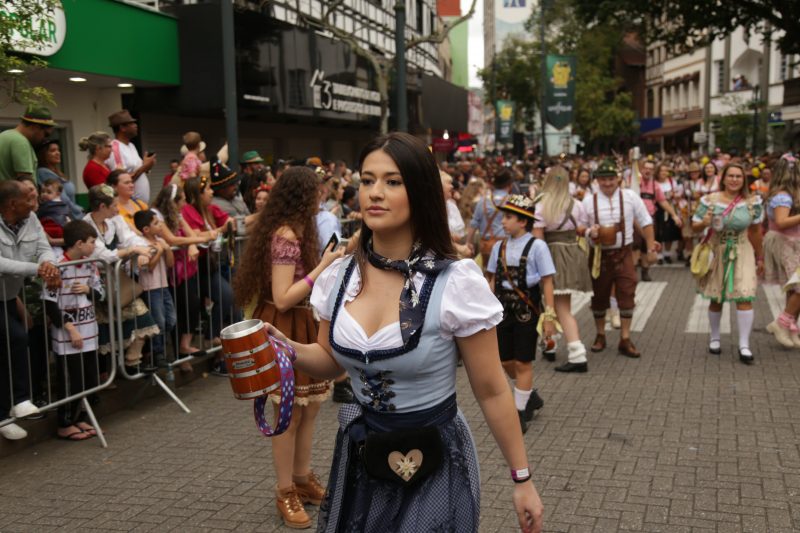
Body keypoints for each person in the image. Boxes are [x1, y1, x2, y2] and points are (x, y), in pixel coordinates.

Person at [264, 133, 543, 532]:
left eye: (393, 182)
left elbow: (492, 389)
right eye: (367, 180)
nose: (375, 193)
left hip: (434, 462)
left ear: (420, 191)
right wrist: (283, 346)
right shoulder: (339, 277)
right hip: (361, 458)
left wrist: (522, 479)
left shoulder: (455, 282)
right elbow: (328, 360)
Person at [233, 166, 340, 529]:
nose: (321, 197)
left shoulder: (296, 230)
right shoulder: (285, 234)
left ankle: (301, 478)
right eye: (317, 192)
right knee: (288, 414)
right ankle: (285, 491)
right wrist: (323, 266)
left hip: (302, 321)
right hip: (283, 324)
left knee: (307, 411)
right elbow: (281, 298)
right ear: (303, 196)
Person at [486, 194, 554, 433]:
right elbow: (493, 279)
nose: (503, 222)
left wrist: (550, 316)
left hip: (528, 309)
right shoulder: (498, 246)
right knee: (505, 361)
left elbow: (547, 281)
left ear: (523, 221)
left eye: (508, 217)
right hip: (503, 309)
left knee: (524, 361)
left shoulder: (538, 246)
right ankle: (530, 395)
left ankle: (518, 413)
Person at [0, 179, 61, 440]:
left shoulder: (31, 219)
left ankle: (8, 411)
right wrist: (36, 269)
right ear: (13, 203)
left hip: (8, 296)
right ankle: (17, 402)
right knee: (16, 338)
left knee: (10, 347)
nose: (34, 204)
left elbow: (43, 248)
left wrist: (48, 264)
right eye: (29, 199)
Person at [584, 158, 659, 358]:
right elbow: (580, 227)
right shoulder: (588, 200)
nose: (607, 183)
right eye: (603, 179)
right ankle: (600, 335)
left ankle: (625, 338)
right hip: (599, 254)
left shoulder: (630, 197)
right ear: (597, 181)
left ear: (617, 179)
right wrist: (590, 232)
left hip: (624, 252)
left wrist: (651, 246)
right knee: (599, 296)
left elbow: (645, 221)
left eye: (610, 179)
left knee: (627, 291)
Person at [691, 163, 764, 364]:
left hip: (742, 249)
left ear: (744, 179)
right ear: (723, 178)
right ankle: (715, 338)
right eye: (730, 176)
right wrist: (704, 223)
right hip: (717, 250)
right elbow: (694, 226)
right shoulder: (710, 201)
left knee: (744, 296)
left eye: (738, 176)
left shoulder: (752, 202)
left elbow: (756, 232)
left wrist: (760, 257)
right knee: (716, 298)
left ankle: (744, 345)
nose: (734, 180)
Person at [82, 185, 159, 368]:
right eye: (114, 205)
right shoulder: (85, 225)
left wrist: (142, 250)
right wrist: (132, 251)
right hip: (97, 285)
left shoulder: (115, 220)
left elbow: (131, 237)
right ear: (102, 207)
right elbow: (103, 256)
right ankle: (108, 374)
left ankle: (132, 361)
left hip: (119, 281)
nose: (118, 209)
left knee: (143, 317)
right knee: (105, 330)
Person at [42, 220, 103, 441]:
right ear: (78, 243)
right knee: (71, 380)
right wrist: (70, 329)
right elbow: (50, 304)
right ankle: (65, 422)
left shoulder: (90, 264)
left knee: (89, 379)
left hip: (89, 330)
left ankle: (82, 417)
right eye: (91, 242)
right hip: (69, 336)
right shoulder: (56, 267)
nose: (95, 246)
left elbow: (100, 293)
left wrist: (88, 289)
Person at [533, 166, 592, 372]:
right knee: (557, 304)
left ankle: (577, 354)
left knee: (557, 306)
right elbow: (582, 229)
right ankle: (550, 343)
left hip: (551, 256)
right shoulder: (577, 204)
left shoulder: (541, 205)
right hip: (573, 254)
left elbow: (538, 241)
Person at [152, 184, 214, 367]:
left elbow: (186, 233)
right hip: (167, 270)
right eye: (183, 199)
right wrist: (199, 239)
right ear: (173, 201)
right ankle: (178, 353)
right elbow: (172, 240)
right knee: (177, 310)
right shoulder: (157, 215)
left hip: (184, 267)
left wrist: (193, 243)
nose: (186, 202)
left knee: (193, 304)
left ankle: (184, 347)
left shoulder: (178, 214)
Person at [182, 174, 240, 370]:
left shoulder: (210, 209)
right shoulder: (187, 211)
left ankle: (212, 335)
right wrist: (221, 229)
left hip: (211, 264)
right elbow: (197, 235)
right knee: (207, 301)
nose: (212, 192)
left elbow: (228, 221)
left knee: (228, 298)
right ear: (197, 194)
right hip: (195, 266)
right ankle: (209, 338)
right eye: (208, 190)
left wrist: (227, 224)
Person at [761, 154, 800, 348]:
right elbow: (782, 222)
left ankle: (790, 328)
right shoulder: (783, 196)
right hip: (785, 242)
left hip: (793, 242)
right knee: (799, 286)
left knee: (795, 288)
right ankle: (781, 323)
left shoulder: (787, 194)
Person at [134, 210, 177, 368]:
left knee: (170, 319)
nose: (160, 226)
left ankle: (161, 350)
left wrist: (167, 249)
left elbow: (170, 264)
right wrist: (159, 250)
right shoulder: (141, 244)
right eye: (156, 223)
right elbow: (150, 267)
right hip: (151, 287)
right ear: (146, 229)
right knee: (159, 320)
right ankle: (157, 353)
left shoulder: (160, 240)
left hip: (163, 285)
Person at [636, 160, 682, 281]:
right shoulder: (635, 182)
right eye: (646, 168)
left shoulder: (654, 185)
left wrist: (674, 215)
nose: (648, 171)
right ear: (641, 169)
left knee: (647, 245)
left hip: (648, 219)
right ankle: (632, 270)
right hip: (633, 220)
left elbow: (662, 201)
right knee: (634, 246)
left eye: (651, 169)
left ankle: (645, 271)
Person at [105, 110, 155, 202]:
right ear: (122, 127)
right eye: (131, 123)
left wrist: (148, 166)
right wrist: (144, 167)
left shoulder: (131, 146)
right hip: (129, 203)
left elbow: (137, 171)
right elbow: (120, 179)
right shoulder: (115, 148)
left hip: (139, 205)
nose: (136, 125)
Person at [468, 169, 513, 266]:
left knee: (488, 276)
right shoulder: (513, 201)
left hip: (487, 247)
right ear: (510, 184)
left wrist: (468, 242)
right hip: (508, 245)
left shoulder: (483, 201)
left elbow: (474, 223)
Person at [0, 105, 54, 182]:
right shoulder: (21, 142)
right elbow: (25, 181)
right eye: (46, 134)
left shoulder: (4, 135)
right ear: (35, 127)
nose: (45, 139)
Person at [36, 140, 83, 219]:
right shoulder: (43, 172)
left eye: (58, 150)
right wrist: (79, 210)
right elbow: (62, 198)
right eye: (53, 151)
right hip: (60, 217)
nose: (58, 153)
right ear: (43, 155)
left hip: (70, 215)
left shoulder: (58, 173)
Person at [210, 160, 250, 224]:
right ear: (221, 189)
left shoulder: (237, 199)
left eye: (236, 184)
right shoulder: (215, 205)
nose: (236, 187)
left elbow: (249, 215)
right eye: (232, 185)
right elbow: (239, 224)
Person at [36, 177, 72, 248]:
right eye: (43, 191)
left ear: (58, 194)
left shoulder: (46, 206)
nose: (44, 194)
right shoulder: (63, 205)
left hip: (54, 230)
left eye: (49, 192)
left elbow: (39, 215)